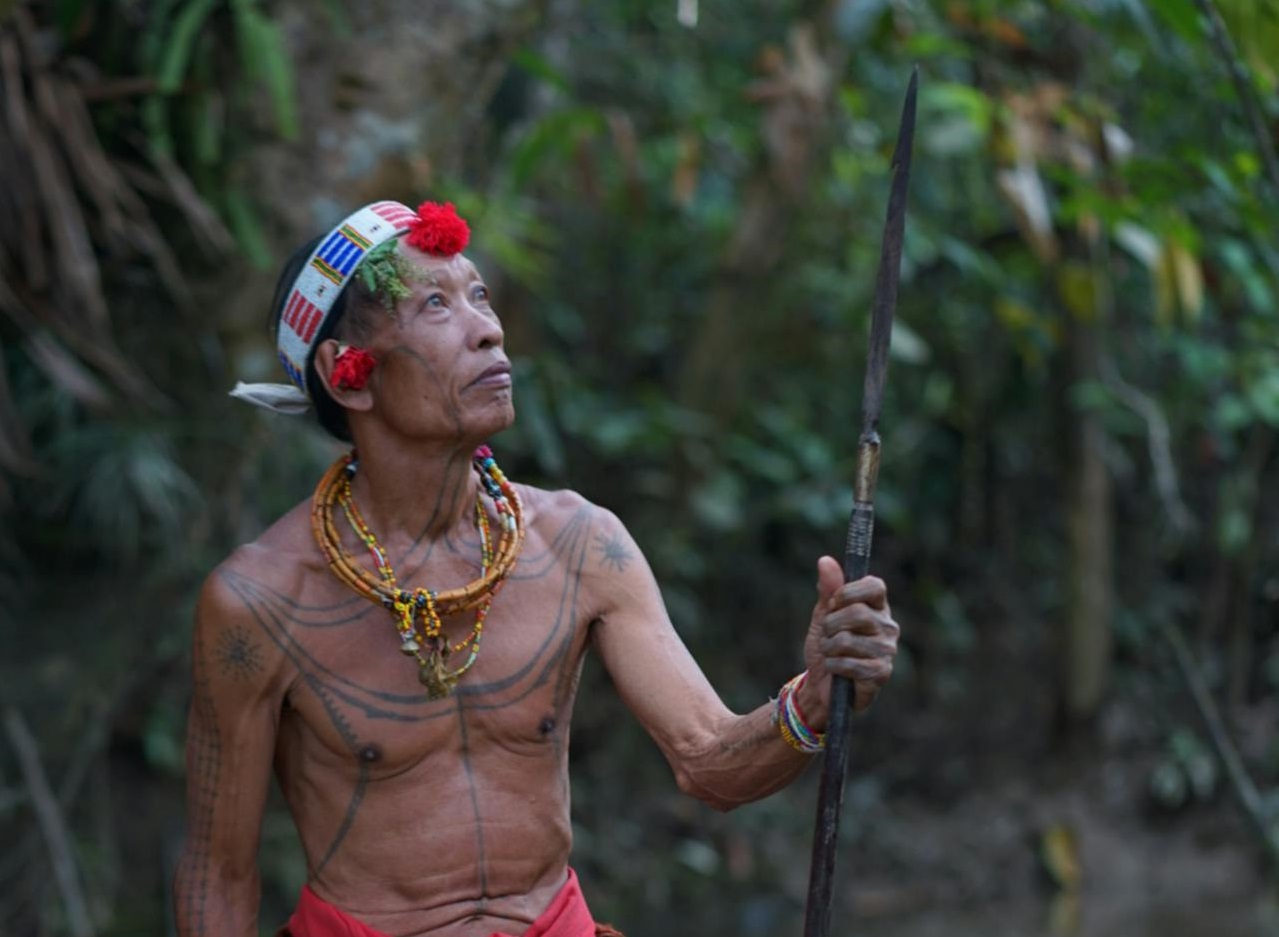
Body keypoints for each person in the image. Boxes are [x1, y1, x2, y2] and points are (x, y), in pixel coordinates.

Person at [173, 200, 900, 937]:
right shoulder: (260, 601)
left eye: (478, 295)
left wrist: (813, 699)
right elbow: (218, 874)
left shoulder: (579, 544)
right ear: (349, 375)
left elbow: (709, 763)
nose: (488, 328)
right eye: (435, 305)